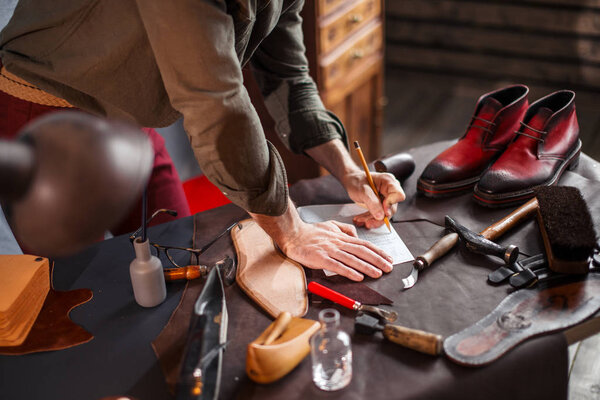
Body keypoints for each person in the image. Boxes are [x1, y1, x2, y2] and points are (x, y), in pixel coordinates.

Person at [0, 0, 405, 281]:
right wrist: (290, 229)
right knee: (82, 299)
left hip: (124, 116)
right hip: (43, 115)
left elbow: (288, 76)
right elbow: (217, 103)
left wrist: (347, 171)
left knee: (182, 260)